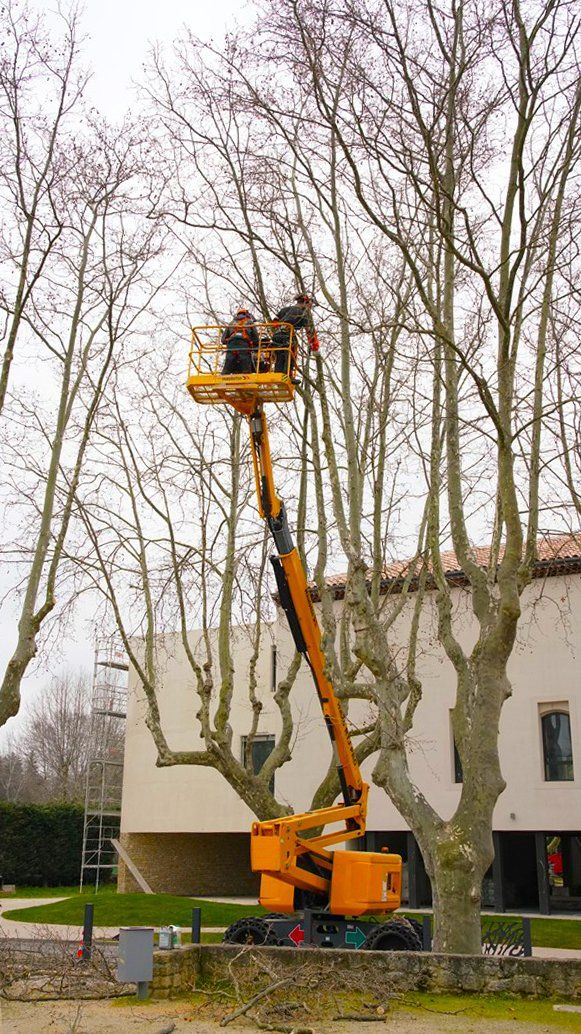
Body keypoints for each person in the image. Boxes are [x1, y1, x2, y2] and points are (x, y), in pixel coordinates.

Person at [271, 293, 320, 375]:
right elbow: (309, 332)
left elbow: (274, 322)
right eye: (309, 306)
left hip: (277, 335)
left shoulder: (284, 309)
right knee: (291, 354)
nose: (309, 308)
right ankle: (287, 375)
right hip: (286, 336)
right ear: (305, 302)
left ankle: (278, 374)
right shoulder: (302, 313)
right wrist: (315, 347)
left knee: (280, 356)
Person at [221, 308, 259, 375]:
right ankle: (247, 376)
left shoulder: (231, 323)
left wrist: (228, 341)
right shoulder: (249, 321)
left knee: (229, 360)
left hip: (231, 343)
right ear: (246, 314)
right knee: (245, 360)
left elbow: (223, 339)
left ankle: (224, 374)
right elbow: (256, 337)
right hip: (243, 343)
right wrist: (254, 344)